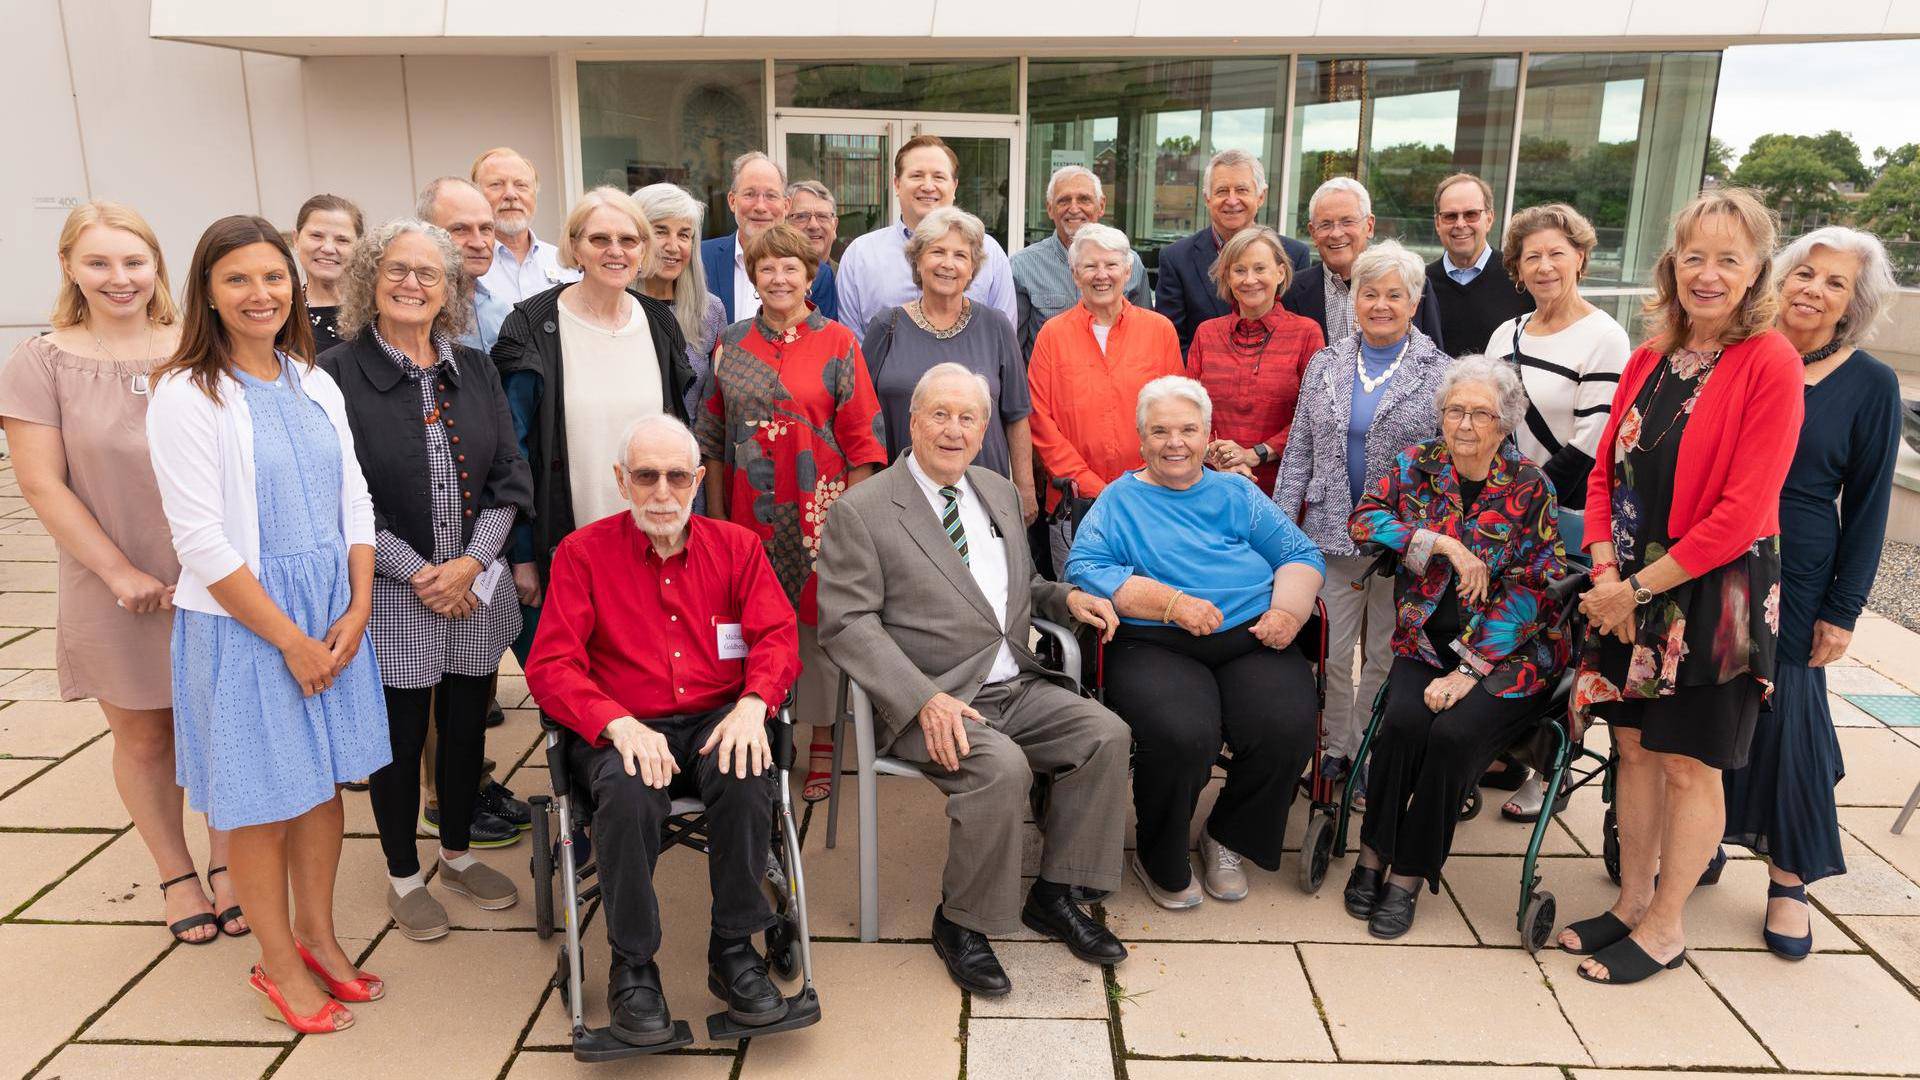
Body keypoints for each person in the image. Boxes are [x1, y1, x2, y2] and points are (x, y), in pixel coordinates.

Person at [817, 362, 1130, 996]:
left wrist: (1064, 598)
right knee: (1003, 770)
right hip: (931, 696)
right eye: (940, 415)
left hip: (1016, 685)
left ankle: (1055, 891)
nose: (954, 430)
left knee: (1106, 735)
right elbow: (847, 624)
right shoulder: (865, 510)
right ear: (913, 421)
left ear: (985, 426)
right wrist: (920, 698)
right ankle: (960, 922)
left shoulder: (995, 489)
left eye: (968, 417)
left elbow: (1012, 588)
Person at [146, 215, 389, 1034]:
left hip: (331, 612)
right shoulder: (186, 393)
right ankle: (278, 964)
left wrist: (356, 608)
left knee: (322, 790)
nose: (261, 294)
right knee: (260, 800)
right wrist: (289, 639)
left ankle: (319, 937)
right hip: (248, 623)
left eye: (273, 278)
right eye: (238, 280)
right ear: (207, 295)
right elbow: (200, 540)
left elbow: (355, 497)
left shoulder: (311, 380)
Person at [1559, 188, 1803, 986]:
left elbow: (1743, 510)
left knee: (1687, 764)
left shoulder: (1770, 362)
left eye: (1728, 259)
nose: (1707, 274)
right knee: (1632, 748)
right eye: (1694, 256)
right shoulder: (1650, 353)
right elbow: (1603, 474)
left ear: (1756, 269)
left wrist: (1633, 590)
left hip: (1709, 598)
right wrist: (1603, 573)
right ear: (1672, 264)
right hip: (1625, 587)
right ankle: (1631, 903)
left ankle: (1667, 926)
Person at [0, 201, 248, 946]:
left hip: (214, 574)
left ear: (157, 267)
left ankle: (230, 862)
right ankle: (176, 874)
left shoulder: (199, 345)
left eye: (134, 262)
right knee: (144, 736)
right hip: (113, 577)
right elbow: (43, 484)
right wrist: (116, 571)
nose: (120, 278)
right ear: (70, 267)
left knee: (218, 726)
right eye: (100, 263)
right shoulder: (41, 361)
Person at [526, 415, 801, 1045]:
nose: (661, 492)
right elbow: (551, 665)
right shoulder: (582, 554)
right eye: (645, 476)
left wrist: (755, 704)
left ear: (698, 481)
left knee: (749, 770)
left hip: (717, 715)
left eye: (677, 477)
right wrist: (616, 724)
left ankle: (733, 951)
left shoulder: (737, 548)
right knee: (623, 794)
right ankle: (634, 967)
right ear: (622, 482)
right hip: (626, 723)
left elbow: (778, 638)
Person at [319, 219, 535, 941]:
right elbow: (340, 497)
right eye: (397, 270)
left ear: (449, 290)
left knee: (468, 727)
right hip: (391, 590)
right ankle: (403, 874)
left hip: (475, 584)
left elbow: (509, 473)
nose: (412, 284)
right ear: (370, 279)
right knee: (401, 738)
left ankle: (460, 853)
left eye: (428, 274)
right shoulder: (335, 373)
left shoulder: (473, 368)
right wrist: (420, 574)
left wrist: (472, 563)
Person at [1065, 376, 1324, 907]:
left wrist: (1288, 612)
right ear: (1142, 439)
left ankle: (1226, 836)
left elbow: (1300, 554)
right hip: (1155, 641)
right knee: (1182, 735)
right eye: (1160, 431)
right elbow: (1084, 566)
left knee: (1287, 726)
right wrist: (1170, 604)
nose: (1175, 442)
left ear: (1208, 435)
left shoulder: (1237, 492)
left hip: (1251, 634)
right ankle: (1159, 853)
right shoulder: (1120, 499)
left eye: (1188, 429)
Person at [1722, 226, 1902, 959]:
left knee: (1788, 713)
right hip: (1718, 554)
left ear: (1853, 304)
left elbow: (1868, 507)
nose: (1813, 290)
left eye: (1835, 283)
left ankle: (1789, 878)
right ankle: (1702, 836)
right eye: (1805, 272)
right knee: (1707, 696)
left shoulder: (1871, 386)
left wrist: (1844, 608)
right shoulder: (1740, 355)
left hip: (1797, 569)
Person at [1344, 357, 1571, 938]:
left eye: (1480, 414)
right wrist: (1437, 541)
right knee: (1399, 726)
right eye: (1454, 411)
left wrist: (1470, 669)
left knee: (1451, 737)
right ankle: (1373, 855)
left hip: (1511, 657)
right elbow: (1363, 521)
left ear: (1505, 423)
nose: (1464, 424)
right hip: (1425, 642)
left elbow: (1533, 592)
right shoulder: (1415, 464)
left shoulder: (1530, 487)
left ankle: (1409, 875)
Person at [697, 223, 887, 808]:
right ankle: (766, 730)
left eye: (791, 268)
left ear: (810, 277)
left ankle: (825, 738)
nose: (779, 278)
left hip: (818, 516)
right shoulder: (730, 343)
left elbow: (865, 443)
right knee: (753, 626)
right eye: (766, 267)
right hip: (749, 517)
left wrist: (845, 523)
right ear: (752, 275)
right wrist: (721, 520)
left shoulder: (839, 343)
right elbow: (713, 439)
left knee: (818, 627)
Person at [1273, 239, 1454, 793]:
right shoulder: (1326, 363)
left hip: (1400, 546)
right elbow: (1300, 448)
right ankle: (1333, 749)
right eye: (1369, 293)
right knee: (1329, 652)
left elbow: (1444, 467)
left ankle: (1370, 752)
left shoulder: (1439, 371)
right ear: (1354, 300)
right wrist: (1282, 530)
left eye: (1393, 295)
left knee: (1383, 654)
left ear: (1414, 299)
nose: (1380, 304)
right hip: (1328, 534)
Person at [493, 187, 695, 673]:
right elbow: (512, 450)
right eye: (599, 238)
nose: (616, 251)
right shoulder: (532, 326)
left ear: (643, 250)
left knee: (648, 671)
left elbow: (678, 433)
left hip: (652, 540)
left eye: (629, 239)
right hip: (567, 541)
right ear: (574, 246)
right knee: (575, 678)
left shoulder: (659, 323)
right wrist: (522, 554)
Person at [1476, 203, 1631, 818]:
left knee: (1560, 640)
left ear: (1581, 258)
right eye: (1532, 256)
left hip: (1566, 511)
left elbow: (1596, 436)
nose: (1544, 266)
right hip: (1506, 505)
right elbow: (1490, 414)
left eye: (1556, 254)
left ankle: (1548, 773)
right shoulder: (1504, 334)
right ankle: (1497, 750)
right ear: (1517, 266)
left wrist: (1531, 495)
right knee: (1499, 629)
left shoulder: (1604, 335)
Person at [1027, 223, 1183, 569]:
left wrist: (1142, 484)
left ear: (1128, 271)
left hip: (1150, 501)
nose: (1102, 275)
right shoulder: (1052, 335)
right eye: (1090, 266)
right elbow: (1039, 420)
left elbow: (1175, 414)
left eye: (1111, 265)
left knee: (1150, 601)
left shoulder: (1159, 331)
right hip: (1075, 506)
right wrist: (1091, 485)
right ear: (1074, 274)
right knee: (1082, 605)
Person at [863, 207, 1035, 495]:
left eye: (960, 255)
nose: (948, 264)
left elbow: (1017, 416)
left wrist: (1025, 489)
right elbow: (862, 420)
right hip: (901, 495)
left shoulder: (996, 326)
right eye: (937, 252)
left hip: (983, 493)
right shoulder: (886, 326)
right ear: (918, 260)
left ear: (972, 269)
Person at [835, 135, 1018, 337]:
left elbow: (1003, 337)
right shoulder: (860, 255)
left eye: (939, 177)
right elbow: (851, 345)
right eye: (917, 176)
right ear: (897, 184)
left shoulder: (988, 252)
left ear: (954, 186)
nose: (928, 186)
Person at [1188, 226, 1326, 493]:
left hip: (1282, 488)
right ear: (1227, 277)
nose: (1249, 279)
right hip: (1212, 483)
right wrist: (1221, 458)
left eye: (1260, 269)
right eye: (1239, 270)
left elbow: (1314, 416)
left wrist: (1254, 454)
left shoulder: (1306, 333)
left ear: (1281, 272)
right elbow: (1189, 410)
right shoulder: (1206, 334)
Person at [1155, 149, 1311, 356]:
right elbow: (1172, 344)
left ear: (1261, 197)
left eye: (1241, 190)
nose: (1232, 200)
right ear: (1207, 199)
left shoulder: (1293, 255)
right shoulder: (1176, 259)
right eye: (1221, 191)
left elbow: (1296, 338)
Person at [1283, 178, 1445, 352]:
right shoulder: (1290, 292)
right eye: (1325, 224)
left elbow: (1432, 355)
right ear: (1313, 233)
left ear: (1369, 225)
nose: (1336, 233)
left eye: (1347, 221)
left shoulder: (1410, 282)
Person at [1010, 165, 1151, 357]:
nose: (1074, 208)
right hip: (1048, 383)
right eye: (1064, 200)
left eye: (1084, 199)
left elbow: (1143, 335)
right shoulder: (1022, 267)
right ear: (1050, 209)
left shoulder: (1129, 262)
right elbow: (1013, 350)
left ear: (1101, 206)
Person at [697, 152, 839, 323]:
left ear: (786, 205)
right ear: (732, 201)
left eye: (771, 196)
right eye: (750, 194)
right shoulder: (700, 258)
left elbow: (824, 344)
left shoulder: (818, 274)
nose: (760, 206)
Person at [634, 183, 727, 418]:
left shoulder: (710, 310)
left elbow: (717, 403)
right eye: (661, 231)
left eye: (684, 234)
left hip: (691, 451)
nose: (673, 246)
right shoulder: (614, 307)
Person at [1424, 174, 1533, 359]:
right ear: (1437, 223)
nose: (1460, 224)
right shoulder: (1420, 284)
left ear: (1489, 219)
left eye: (1471, 214)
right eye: (1450, 216)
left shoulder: (1520, 278)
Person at [417, 176, 513, 353]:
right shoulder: (411, 313)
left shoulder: (501, 311)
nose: (478, 243)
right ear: (426, 233)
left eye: (485, 229)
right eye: (460, 229)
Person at [472, 146, 578, 303]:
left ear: (535, 195)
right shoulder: (466, 267)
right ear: (476, 196)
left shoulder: (564, 263)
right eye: (496, 184)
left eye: (521, 185)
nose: (510, 194)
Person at [294, 194, 362, 354]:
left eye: (342, 240)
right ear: (296, 239)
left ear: (359, 247)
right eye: (316, 236)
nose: (328, 249)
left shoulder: (378, 311)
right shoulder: (281, 313)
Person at [786, 179, 840, 267]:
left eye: (822, 216)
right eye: (802, 216)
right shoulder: (768, 278)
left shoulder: (845, 278)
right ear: (785, 224)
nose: (813, 225)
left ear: (834, 227)